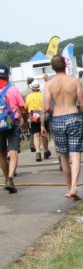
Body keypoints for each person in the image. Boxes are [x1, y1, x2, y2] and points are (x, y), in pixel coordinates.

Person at [43, 56, 83, 200]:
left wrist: (56, 112)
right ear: (65, 65)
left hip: (57, 119)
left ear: (52, 68)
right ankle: (75, 188)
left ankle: (68, 187)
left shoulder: (49, 84)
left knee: (63, 155)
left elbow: (46, 107)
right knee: (75, 153)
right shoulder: (74, 81)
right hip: (73, 117)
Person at [0, 64, 27, 193]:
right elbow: (22, 108)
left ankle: (6, 179)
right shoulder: (13, 89)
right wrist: (25, 122)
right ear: (7, 76)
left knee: (1, 153)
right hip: (12, 122)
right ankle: (10, 178)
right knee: (13, 151)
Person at [25, 80, 49, 162]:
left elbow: (26, 107)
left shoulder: (28, 96)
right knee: (43, 133)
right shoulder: (42, 95)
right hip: (42, 115)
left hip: (33, 116)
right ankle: (46, 151)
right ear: (39, 88)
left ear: (32, 88)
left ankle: (38, 152)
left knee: (35, 135)